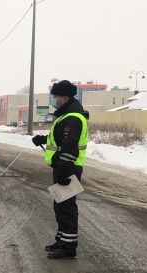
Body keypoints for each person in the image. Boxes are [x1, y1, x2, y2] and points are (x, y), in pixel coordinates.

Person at [31, 80, 90, 259]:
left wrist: (64, 171)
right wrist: (43, 140)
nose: (55, 99)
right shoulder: (66, 115)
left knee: (66, 208)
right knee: (60, 205)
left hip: (68, 168)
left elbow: (70, 147)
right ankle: (62, 240)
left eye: (56, 96)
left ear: (65, 97)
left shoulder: (73, 117)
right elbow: (59, 141)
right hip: (63, 166)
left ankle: (68, 247)